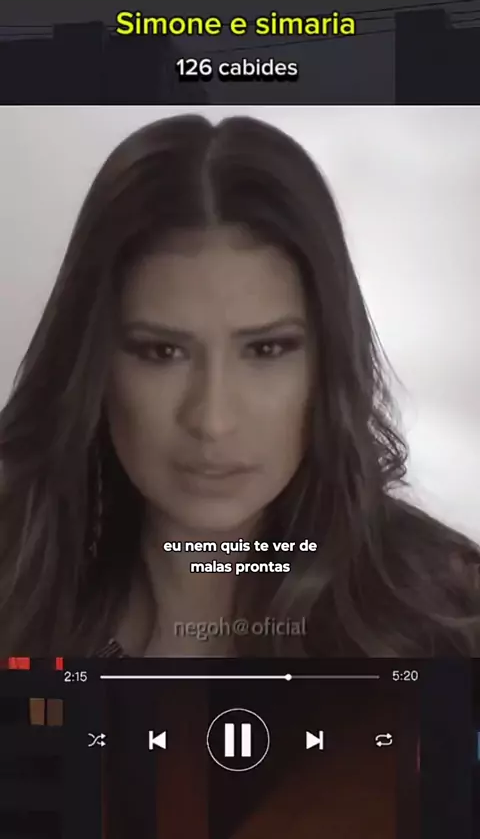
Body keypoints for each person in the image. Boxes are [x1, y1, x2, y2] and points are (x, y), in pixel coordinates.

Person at [0, 113, 478, 658]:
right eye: (162, 352)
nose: (212, 420)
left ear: (328, 363)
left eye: (266, 349)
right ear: (93, 364)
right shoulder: (17, 599)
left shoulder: (451, 614)